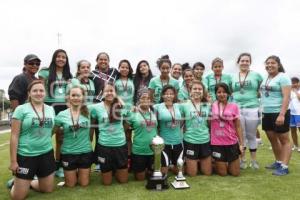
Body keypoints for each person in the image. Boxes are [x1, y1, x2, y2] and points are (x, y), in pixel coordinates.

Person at [9, 80, 56, 200]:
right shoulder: (21, 109)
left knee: (47, 190)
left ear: (45, 93)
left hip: (46, 153)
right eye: (35, 90)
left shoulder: (51, 109)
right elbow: (14, 136)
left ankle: (29, 182)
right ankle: (16, 183)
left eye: (41, 90)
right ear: (29, 93)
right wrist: (14, 161)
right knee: (18, 197)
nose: (38, 93)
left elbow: (51, 130)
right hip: (26, 155)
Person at [38, 49, 73, 178]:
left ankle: (58, 166)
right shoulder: (45, 72)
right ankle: (38, 167)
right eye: (58, 56)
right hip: (48, 106)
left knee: (61, 139)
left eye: (64, 57)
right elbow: (39, 89)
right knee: (43, 136)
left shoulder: (69, 75)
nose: (61, 59)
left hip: (63, 107)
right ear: (54, 58)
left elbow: (70, 93)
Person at [54, 86, 93, 187]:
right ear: (69, 97)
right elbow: (51, 132)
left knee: (84, 183)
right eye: (73, 95)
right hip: (68, 152)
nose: (76, 98)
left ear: (83, 97)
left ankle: (78, 173)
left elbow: (107, 105)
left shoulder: (90, 111)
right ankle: (71, 176)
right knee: (71, 185)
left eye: (78, 95)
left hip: (85, 151)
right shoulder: (61, 115)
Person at [90, 82, 128, 185]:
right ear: (102, 93)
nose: (109, 93)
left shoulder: (121, 106)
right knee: (107, 182)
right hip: (104, 146)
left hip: (120, 145)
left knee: (123, 180)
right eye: (106, 91)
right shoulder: (95, 107)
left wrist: (120, 100)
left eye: (112, 91)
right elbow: (89, 120)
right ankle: (110, 169)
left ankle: (116, 169)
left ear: (116, 93)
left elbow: (127, 122)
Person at [231, 53, 263, 169]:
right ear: (238, 62)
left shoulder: (257, 75)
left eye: (247, 61)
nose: (244, 62)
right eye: (242, 60)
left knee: (251, 135)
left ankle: (254, 161)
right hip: (237, 108)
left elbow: (262, 88)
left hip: (252, 107)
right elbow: (230, 91)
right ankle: (242, 159)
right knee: (241, 135)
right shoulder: (233, 77)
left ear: (250, 62)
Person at [261, 55, 292, 176]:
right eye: (267, 63)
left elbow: (286, 97)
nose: (269, 65)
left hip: (279, 112)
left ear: (278, 64)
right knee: (272, 137)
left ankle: (284, 166)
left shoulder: (283, 77)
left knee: (284, 139)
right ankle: (278, 161)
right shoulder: (266, 78)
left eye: (272, 63)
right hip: (266, 112)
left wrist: (282, 114)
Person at [210, 83, 244, 176]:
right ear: (216, 94)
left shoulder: (234, 106)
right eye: (219, 92)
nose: (221, 94)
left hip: (231, 142)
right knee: (223, 173)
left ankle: (225, 162)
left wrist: (241, 144)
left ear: (228, 93)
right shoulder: (211, 106)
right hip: (217, 143)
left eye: (224, 92)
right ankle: (214, 163)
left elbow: (237, 126)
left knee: (235, 173)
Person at [180, 80, 212, 176]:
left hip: (205, 140)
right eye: (195, 89)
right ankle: (178, 165)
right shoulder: (184, 105)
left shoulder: (208, 105)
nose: (197, 91)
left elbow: (210, 123)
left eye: (200, 89)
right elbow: (180, 122)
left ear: (203, 91)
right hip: (190, 140)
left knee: (207, 173)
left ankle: (208, 162)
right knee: (192, 174)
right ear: (190, 91)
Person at [126, 89, 158, 180]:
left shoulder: (154, 112)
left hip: (153, 150)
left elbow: (156, 130)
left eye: (148, 98)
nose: (146, 100)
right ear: (139, 100)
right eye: (143, 98)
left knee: (153, 176)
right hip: (139, 151)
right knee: (140, 178)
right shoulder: (133, 113)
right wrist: (128, 149)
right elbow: (125, 131)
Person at [154, 85, 183, 174]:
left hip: (178, 142)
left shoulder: (179, 106)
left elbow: (183, 120)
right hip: (164, 143)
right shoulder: (157, 107)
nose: (169, 96)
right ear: (162, 95)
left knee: (180, 171)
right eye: (166, 94)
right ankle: (167, 165)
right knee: (164, 173)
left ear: (174, 95)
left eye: (171, 94)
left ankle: (171, 165)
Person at [289, 77, 300, 151]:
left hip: (299, 114)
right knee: (293, 130)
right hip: (291, 113)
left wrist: (296, 91)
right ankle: (296, 146)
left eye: (295, 83)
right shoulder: (289, 91)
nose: (294, 84)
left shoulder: (298, 91)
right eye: (292, 83)